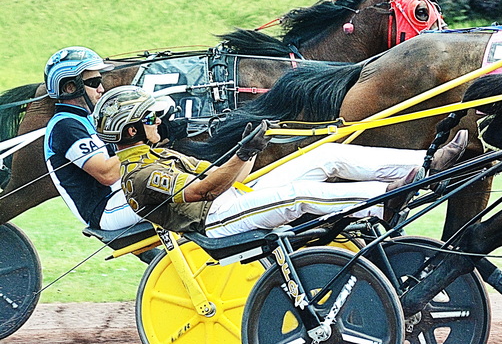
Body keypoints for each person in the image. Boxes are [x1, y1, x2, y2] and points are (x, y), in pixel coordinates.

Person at [92, 85, 467, 238]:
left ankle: (425, 164)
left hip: (231, 200)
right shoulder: (139, 174)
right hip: (215, 222)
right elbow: (204, 190)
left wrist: (250, 148)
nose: (158, 122)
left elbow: (229, 177)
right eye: (150, 119)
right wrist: (241, 152)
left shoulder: (159, 154)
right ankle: (386, 196)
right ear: (130, 132)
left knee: (326, 155)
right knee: (297, 194)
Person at [42, 47, 143, 232]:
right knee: (185, 192)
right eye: (94, 82)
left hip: (124, 196)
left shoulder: (86, 120)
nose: (101, 89)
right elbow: (107, 175)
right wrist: (144, 139)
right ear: (70, 87)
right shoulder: (65, 127)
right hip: (106, 209)